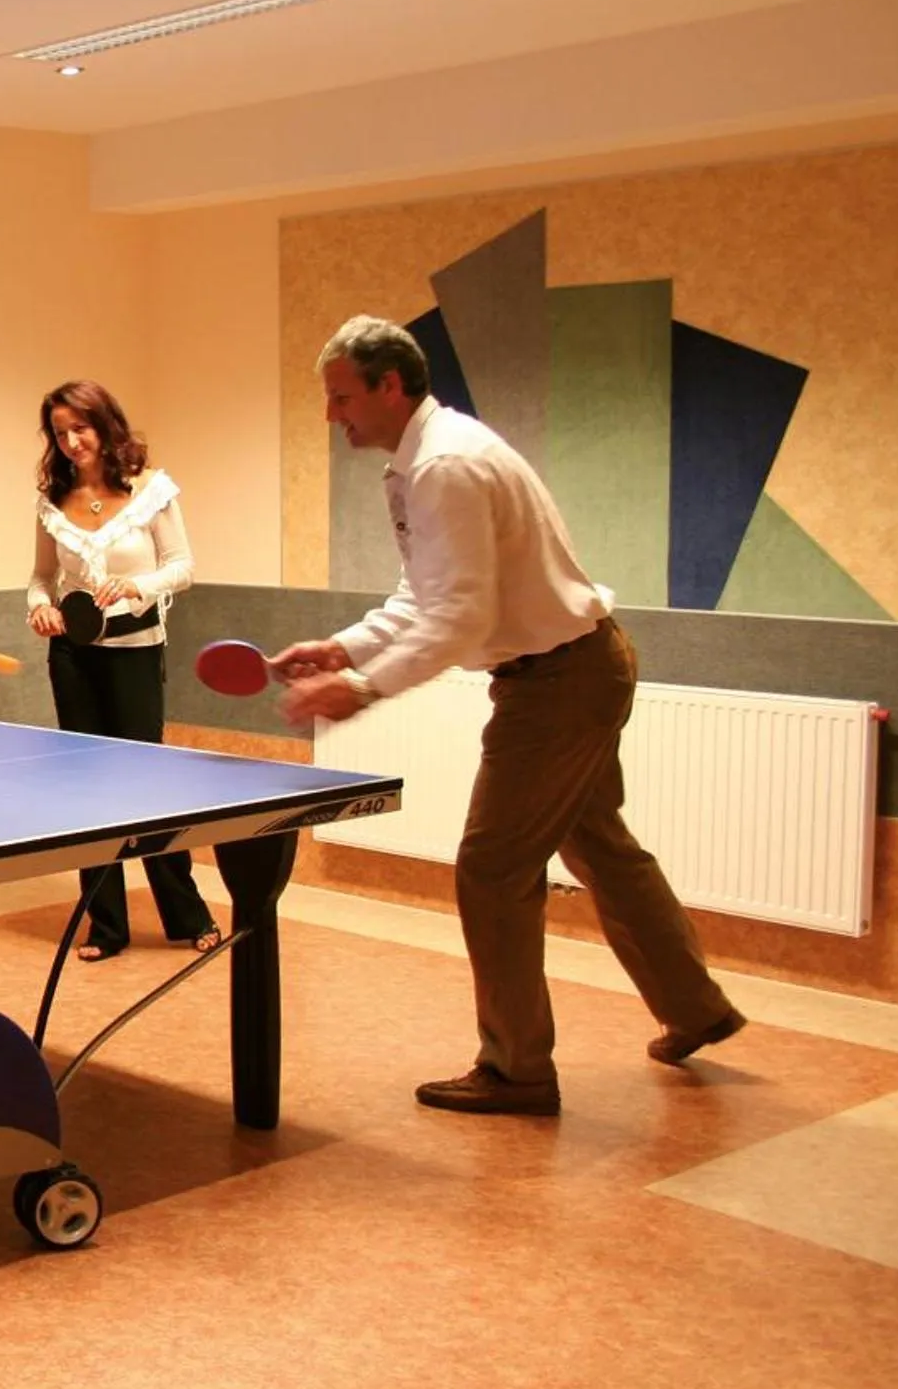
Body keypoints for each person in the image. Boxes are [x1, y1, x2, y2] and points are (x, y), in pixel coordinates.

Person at [271, 315, 746, 1116]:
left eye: (341, 396)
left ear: (391, 385)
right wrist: (342, 647)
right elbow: (424, 594)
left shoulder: (446, 465)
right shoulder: (425, 458)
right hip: (578, 666)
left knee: (492, 870)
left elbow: (460, 615)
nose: (330, 414)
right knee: (601, 847)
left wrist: (363, 687)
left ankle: (518, 1067)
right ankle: (695, 1007)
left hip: (558, 682)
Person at [26, 380, 220, 960]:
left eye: (80, 428)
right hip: (73, 656)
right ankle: (106, 925)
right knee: (86, 787)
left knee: (146, 785)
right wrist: (39, 607)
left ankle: (187, 915)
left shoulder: (152, 491)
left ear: (105, 424)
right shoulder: (52, 501)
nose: (71, 441)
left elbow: (182, 567)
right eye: (60, 432)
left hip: (136, 648)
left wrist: (137, 586)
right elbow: (41, 578)